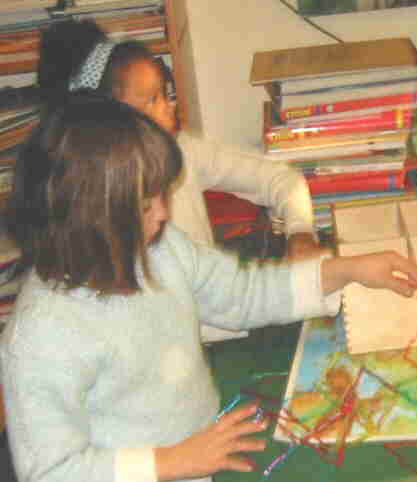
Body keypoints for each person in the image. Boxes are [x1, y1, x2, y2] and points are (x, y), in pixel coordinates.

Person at [0, 95, 417, 482]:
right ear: (94, 216)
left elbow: (243, 293)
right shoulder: (43, 332)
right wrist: (177, 460)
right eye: (147, 203)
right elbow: (48, 475)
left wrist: (345, 269)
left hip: (205, 459)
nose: (164, 211)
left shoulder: (154, 249)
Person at [37, 20, 323, 343]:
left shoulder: (183, 149)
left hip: (227, 320)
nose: (170, 105)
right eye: (153, 99)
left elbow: (280, 178)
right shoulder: (96, 207)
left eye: (166, 93)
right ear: (109, 119)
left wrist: (300, 233)